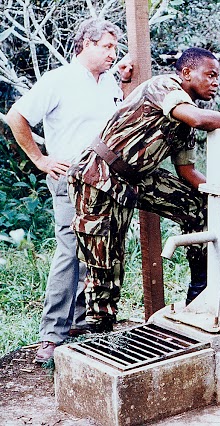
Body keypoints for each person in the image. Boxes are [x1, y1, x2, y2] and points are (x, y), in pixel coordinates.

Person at [67, 47, 220, 332]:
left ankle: (201, 295)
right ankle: (99, 330)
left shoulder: (186, 123)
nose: (215, 82)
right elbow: (197, 119)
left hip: (138, 178)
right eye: (210, 75)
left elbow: (188, 172)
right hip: (99, 173)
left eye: (217, 77)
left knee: (198, 206)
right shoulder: (164, 87)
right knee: (105, 261)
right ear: (186, 73)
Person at [5, 18, 133, 363]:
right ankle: (51, 335)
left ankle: (79, 323)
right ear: (85, 44)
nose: (113, 52)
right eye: (106, 46)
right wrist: (40, 159)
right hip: (70, 177)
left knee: (97, 248)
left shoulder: (107, 82)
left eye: (114, 46)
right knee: (69, 249)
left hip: (105, 179)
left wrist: (119, 75)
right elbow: (16, 117)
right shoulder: (58, 80)